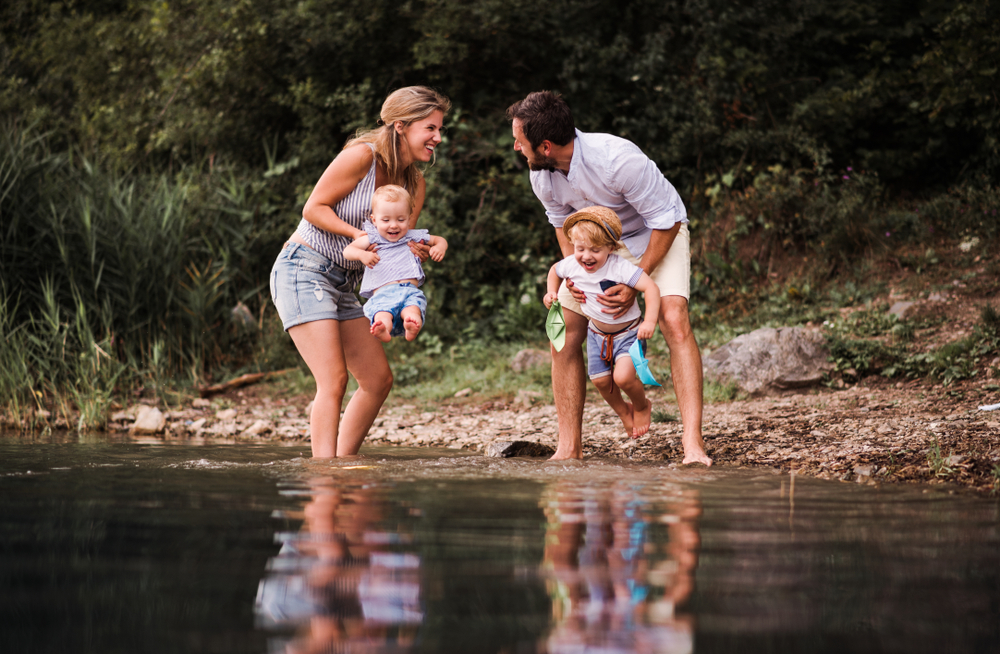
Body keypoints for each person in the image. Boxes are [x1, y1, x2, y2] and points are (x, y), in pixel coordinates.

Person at [507, 90, 712, 465]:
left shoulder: (618, 160)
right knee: (563, 327)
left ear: (546, 145)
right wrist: (574, 275)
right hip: (595, 247)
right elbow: (562, 228)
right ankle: (568, 448)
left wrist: (637, 278)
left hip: (655, 235)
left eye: (520, 141)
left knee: (673, 317)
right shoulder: (542, 176)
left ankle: (692, 444)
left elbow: (666, 221)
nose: (516, 148)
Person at [270, 86, 450, 458]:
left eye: (439, 129)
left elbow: (398, 248)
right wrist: (359, 235)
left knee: (377, 380)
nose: (438, 137)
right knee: (333, 379)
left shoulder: (414, 183)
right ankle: (325, 474)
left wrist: (417, 256)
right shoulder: (361, 156)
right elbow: (314, 208)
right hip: (305, 267)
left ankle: (342, 461)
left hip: (345, 283)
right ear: (401, 126)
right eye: (430, 128)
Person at [543, 206, 660, 438]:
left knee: (623, 377)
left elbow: (651, 287)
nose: (586, 256)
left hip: (627, 334)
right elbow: (555, 270)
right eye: (580, 249)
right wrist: (550, 292)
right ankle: (624, 413)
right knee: (600, 381)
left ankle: (641, 404)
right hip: (597, 335)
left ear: (611, 248)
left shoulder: (619, 266)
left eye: (595, 250)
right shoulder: (573, 265)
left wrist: (649, 322)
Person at [343, 184, 448, 342]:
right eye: (386, 220)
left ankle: (411, 326)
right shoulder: (372, 238)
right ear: (374, 220)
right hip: (383, 294)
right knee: (382, 313)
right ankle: (383, 329)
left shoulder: (411, 236)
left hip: (409, 291)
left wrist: (440, 247)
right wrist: (362, 254)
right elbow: (347, 251)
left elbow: (438, 239)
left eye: (401, 219)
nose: (394, 225)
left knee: (413, 309)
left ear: (408, 218)